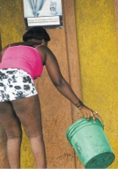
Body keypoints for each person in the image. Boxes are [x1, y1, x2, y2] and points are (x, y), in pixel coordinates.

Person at [0, 26, 101, 168]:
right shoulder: (42, 49)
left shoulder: (7, 48)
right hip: (20, 82)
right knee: (35, 135)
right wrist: (80, 105)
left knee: (13, 136)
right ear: (42, 41)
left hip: (0, 86)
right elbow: (58, 81)